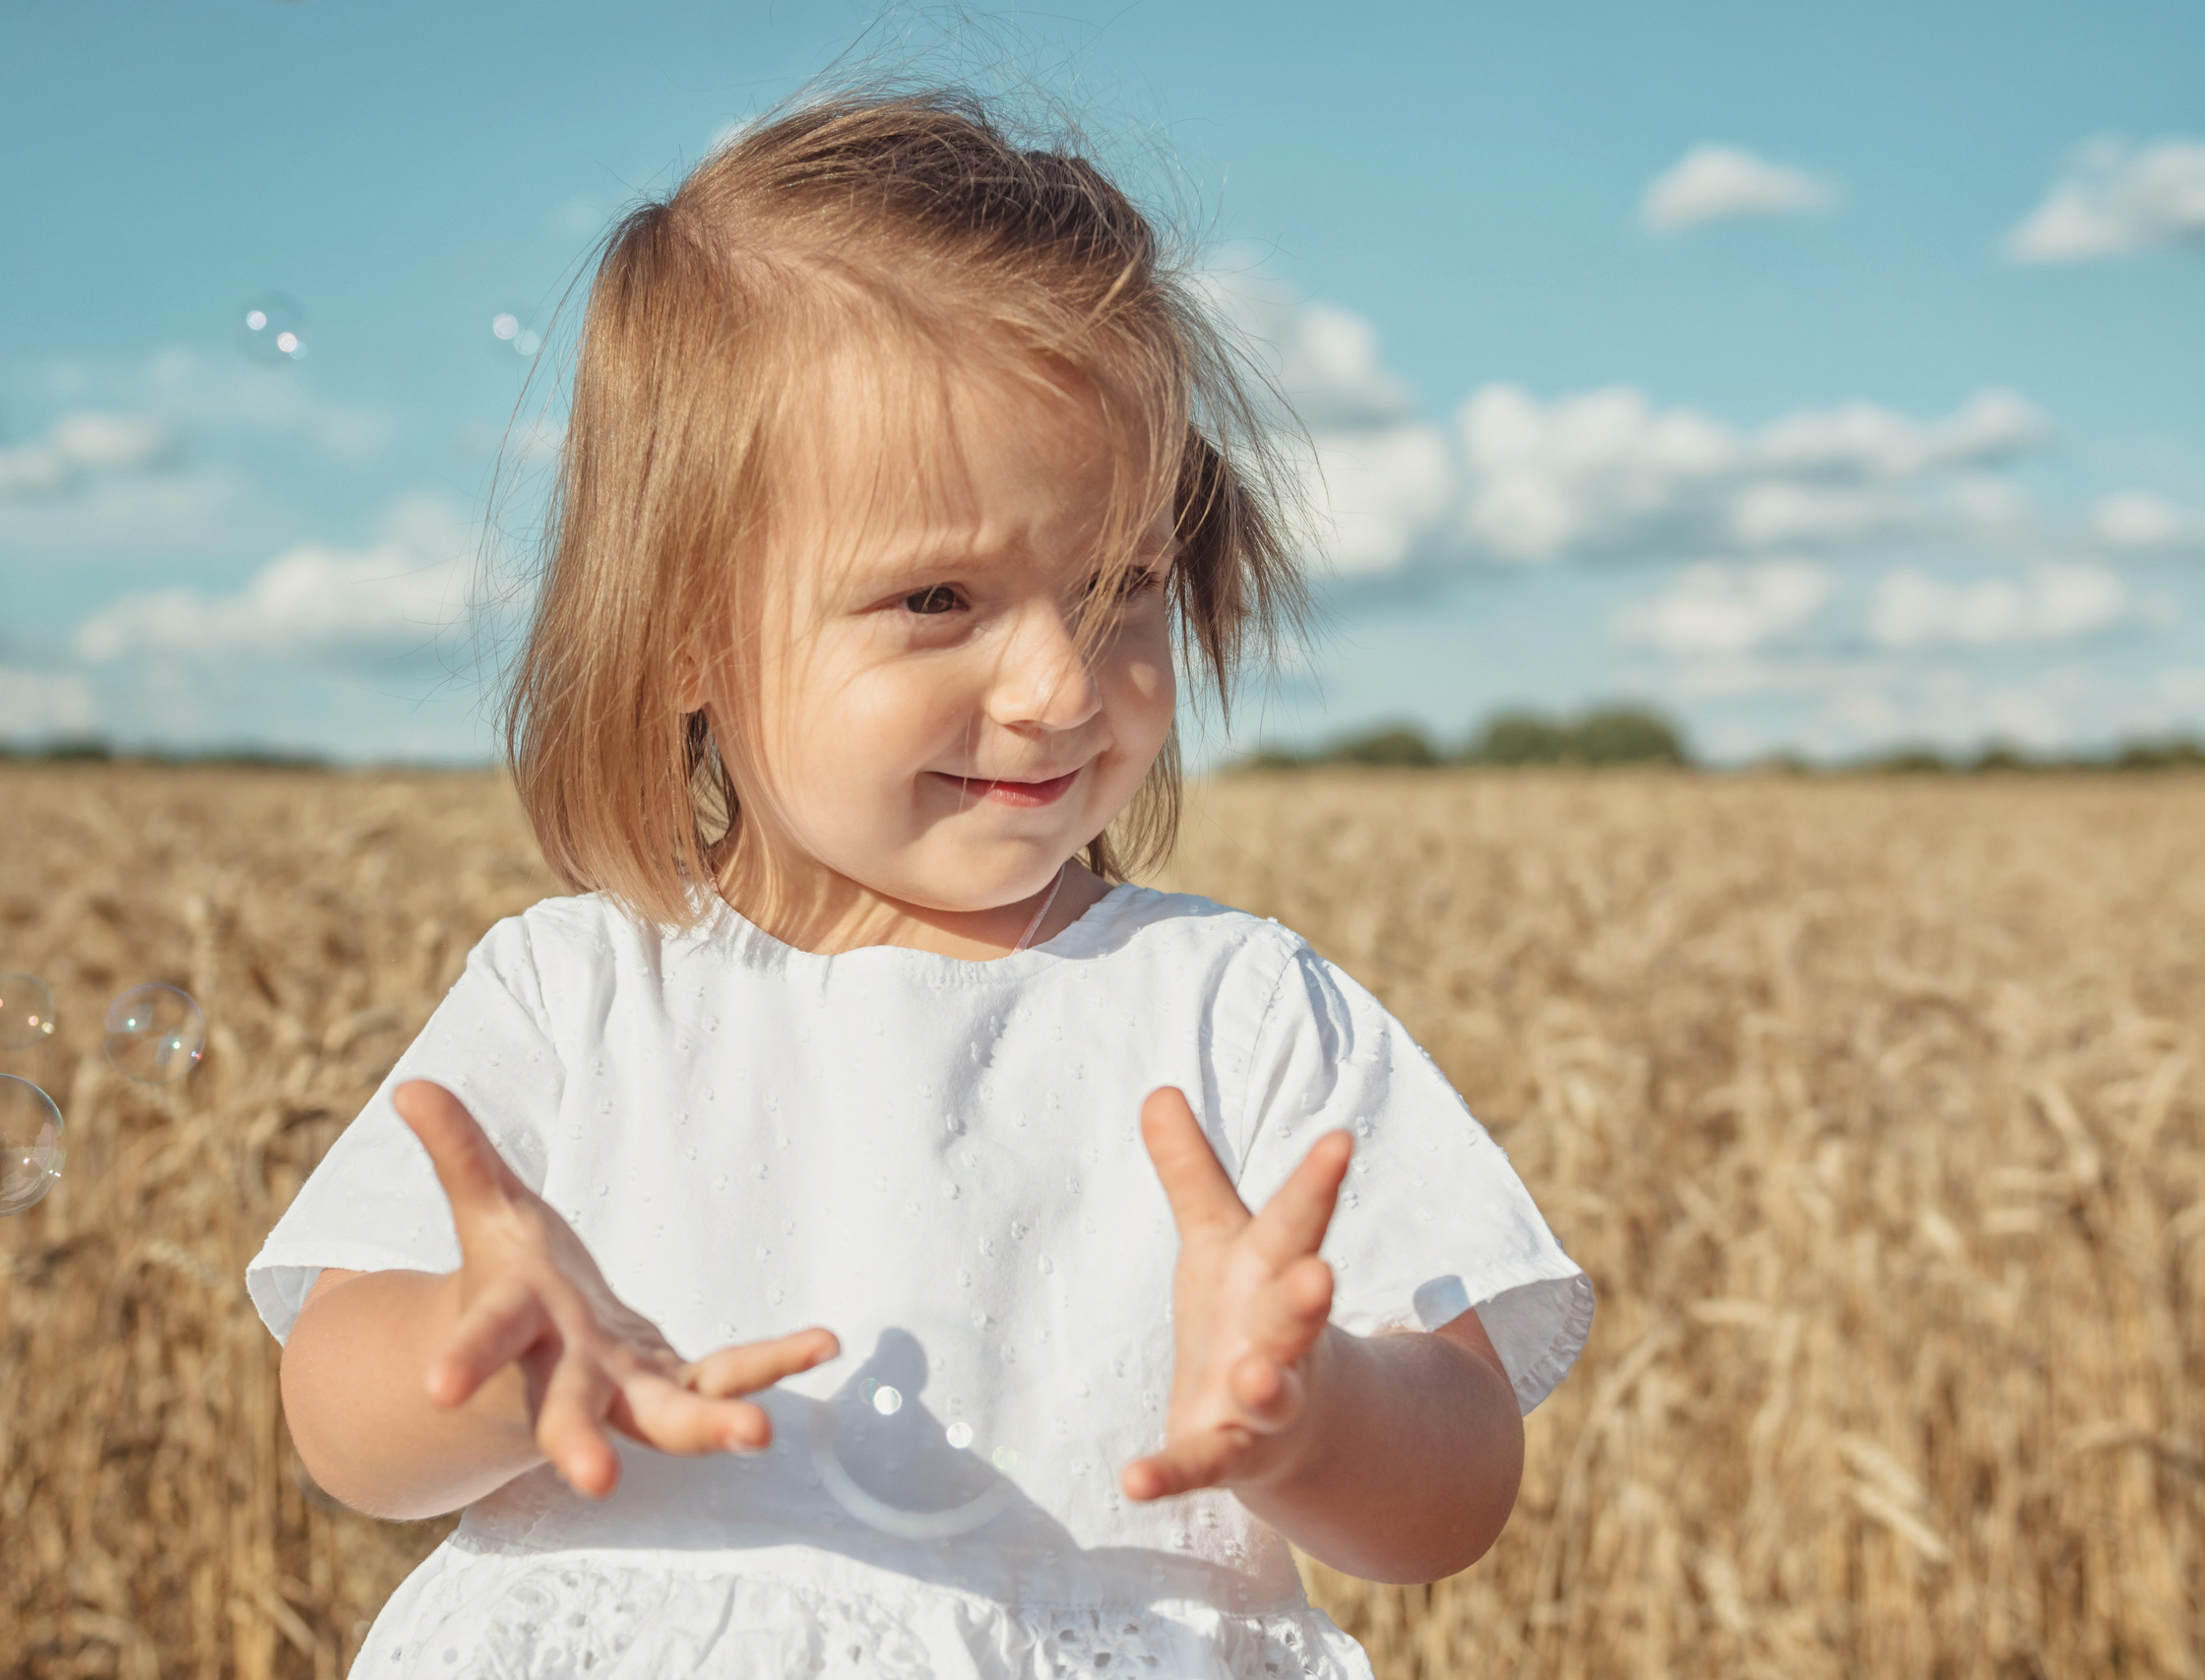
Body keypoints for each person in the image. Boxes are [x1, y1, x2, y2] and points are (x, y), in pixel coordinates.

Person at [247, 82, 1591, 1680]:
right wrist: (483, 1360)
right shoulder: (573, 999)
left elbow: (1455, 1487)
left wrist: (1316, 1414)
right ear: (686, 631)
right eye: (937, 598)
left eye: (1121, 586)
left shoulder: (1231, 1009)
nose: (1058, 687)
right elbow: (338, 1410)